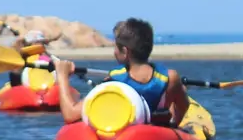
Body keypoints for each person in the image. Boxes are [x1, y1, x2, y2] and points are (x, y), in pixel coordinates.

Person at [55, 17, 187, 127]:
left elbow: (70, 115)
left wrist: (62, 75)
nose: (114, 52)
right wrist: (173, 126)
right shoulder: (170, 77)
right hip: (156, 137)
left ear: (124, 51)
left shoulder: (113, 81)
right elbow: (183, 107)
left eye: (116, 48)